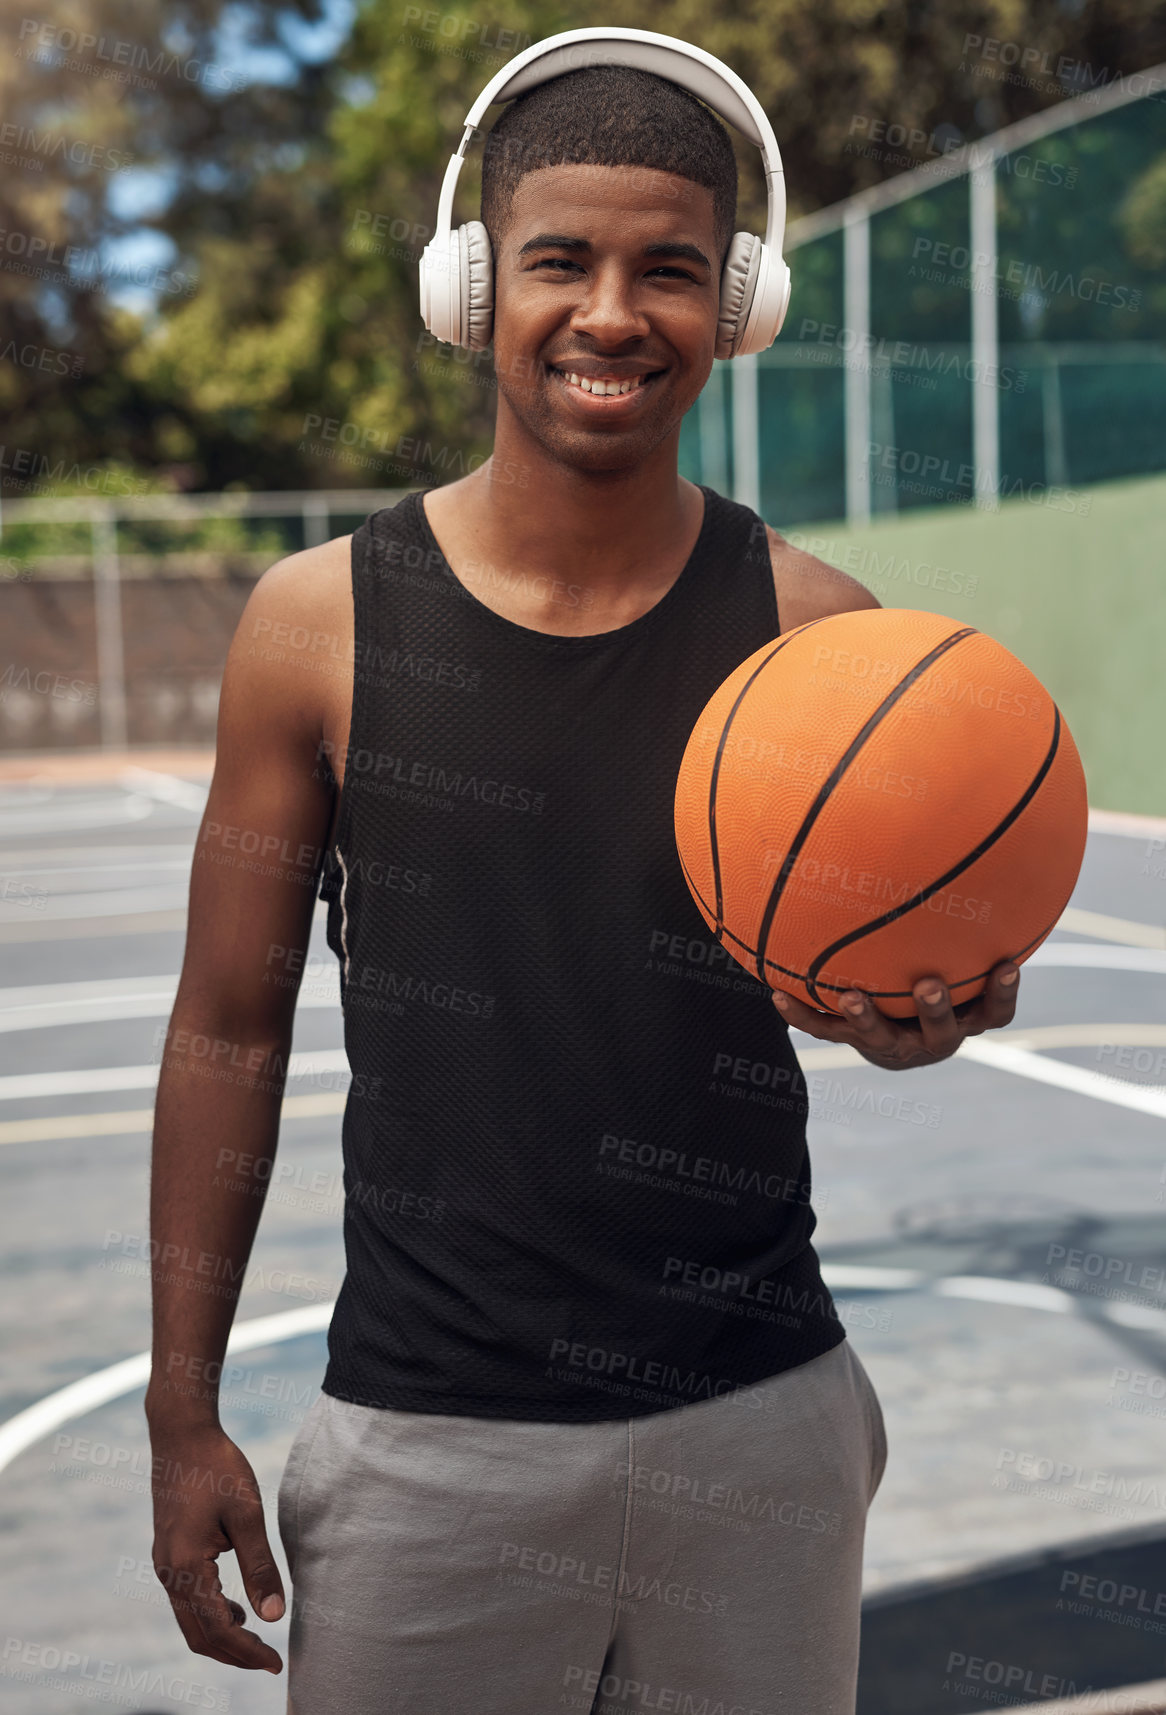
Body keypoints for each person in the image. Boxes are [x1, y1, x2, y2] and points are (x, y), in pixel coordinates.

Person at [146, 43, 1022, 1715]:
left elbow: (841, 974)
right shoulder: (317, 624)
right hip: (425, 1441)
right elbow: (226, 1030)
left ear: (736, 304)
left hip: (756, 1418)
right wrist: (181, 1407)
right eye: (558, 260)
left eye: (669, 269)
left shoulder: (816, 628)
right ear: (471, 288)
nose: (611, 314)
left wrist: (913, 1012)